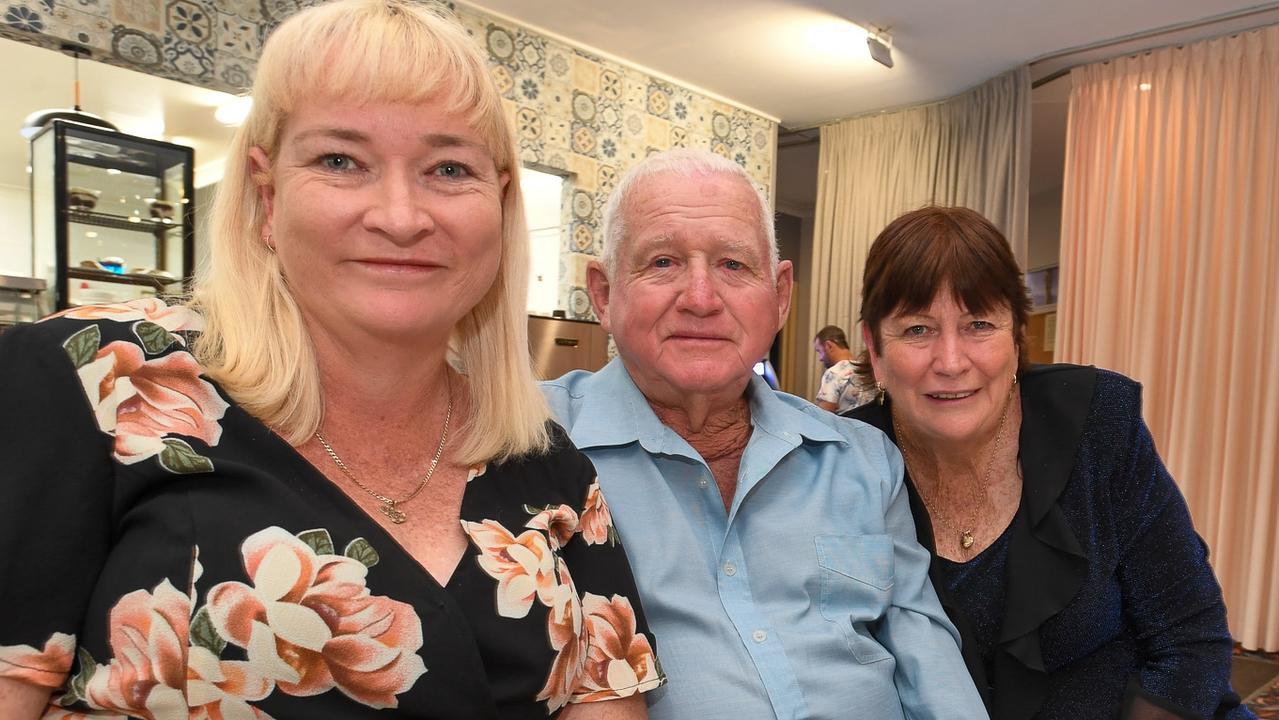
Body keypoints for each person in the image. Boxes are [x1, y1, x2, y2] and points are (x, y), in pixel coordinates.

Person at [0, 2, 662, 718]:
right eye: (340, 161)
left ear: (498, 208)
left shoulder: (544, 458)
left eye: (448, 168)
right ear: (266, 195)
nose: (401, 216)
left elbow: (606, 698)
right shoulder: (102, 379)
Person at [541, 149, 988, 720]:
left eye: (733, 265)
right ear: (603, 294)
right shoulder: (527, 443)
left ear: (779, 297)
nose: (701, 299)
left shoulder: (861, 459)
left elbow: (925, 651)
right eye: (662, 262)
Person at [843, 206, 1254, 720]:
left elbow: (1190, 638)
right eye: (918, 330)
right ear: (874, 348)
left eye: (979, 324)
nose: (950, 361)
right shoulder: (844, 463)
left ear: (1016, 337)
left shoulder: (1095, 423)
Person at [813, 324, 875, 412]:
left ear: (829, 346)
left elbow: (822, 415)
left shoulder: (834, 373)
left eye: (819, 351)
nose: (820, 358)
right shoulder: (867, 370)